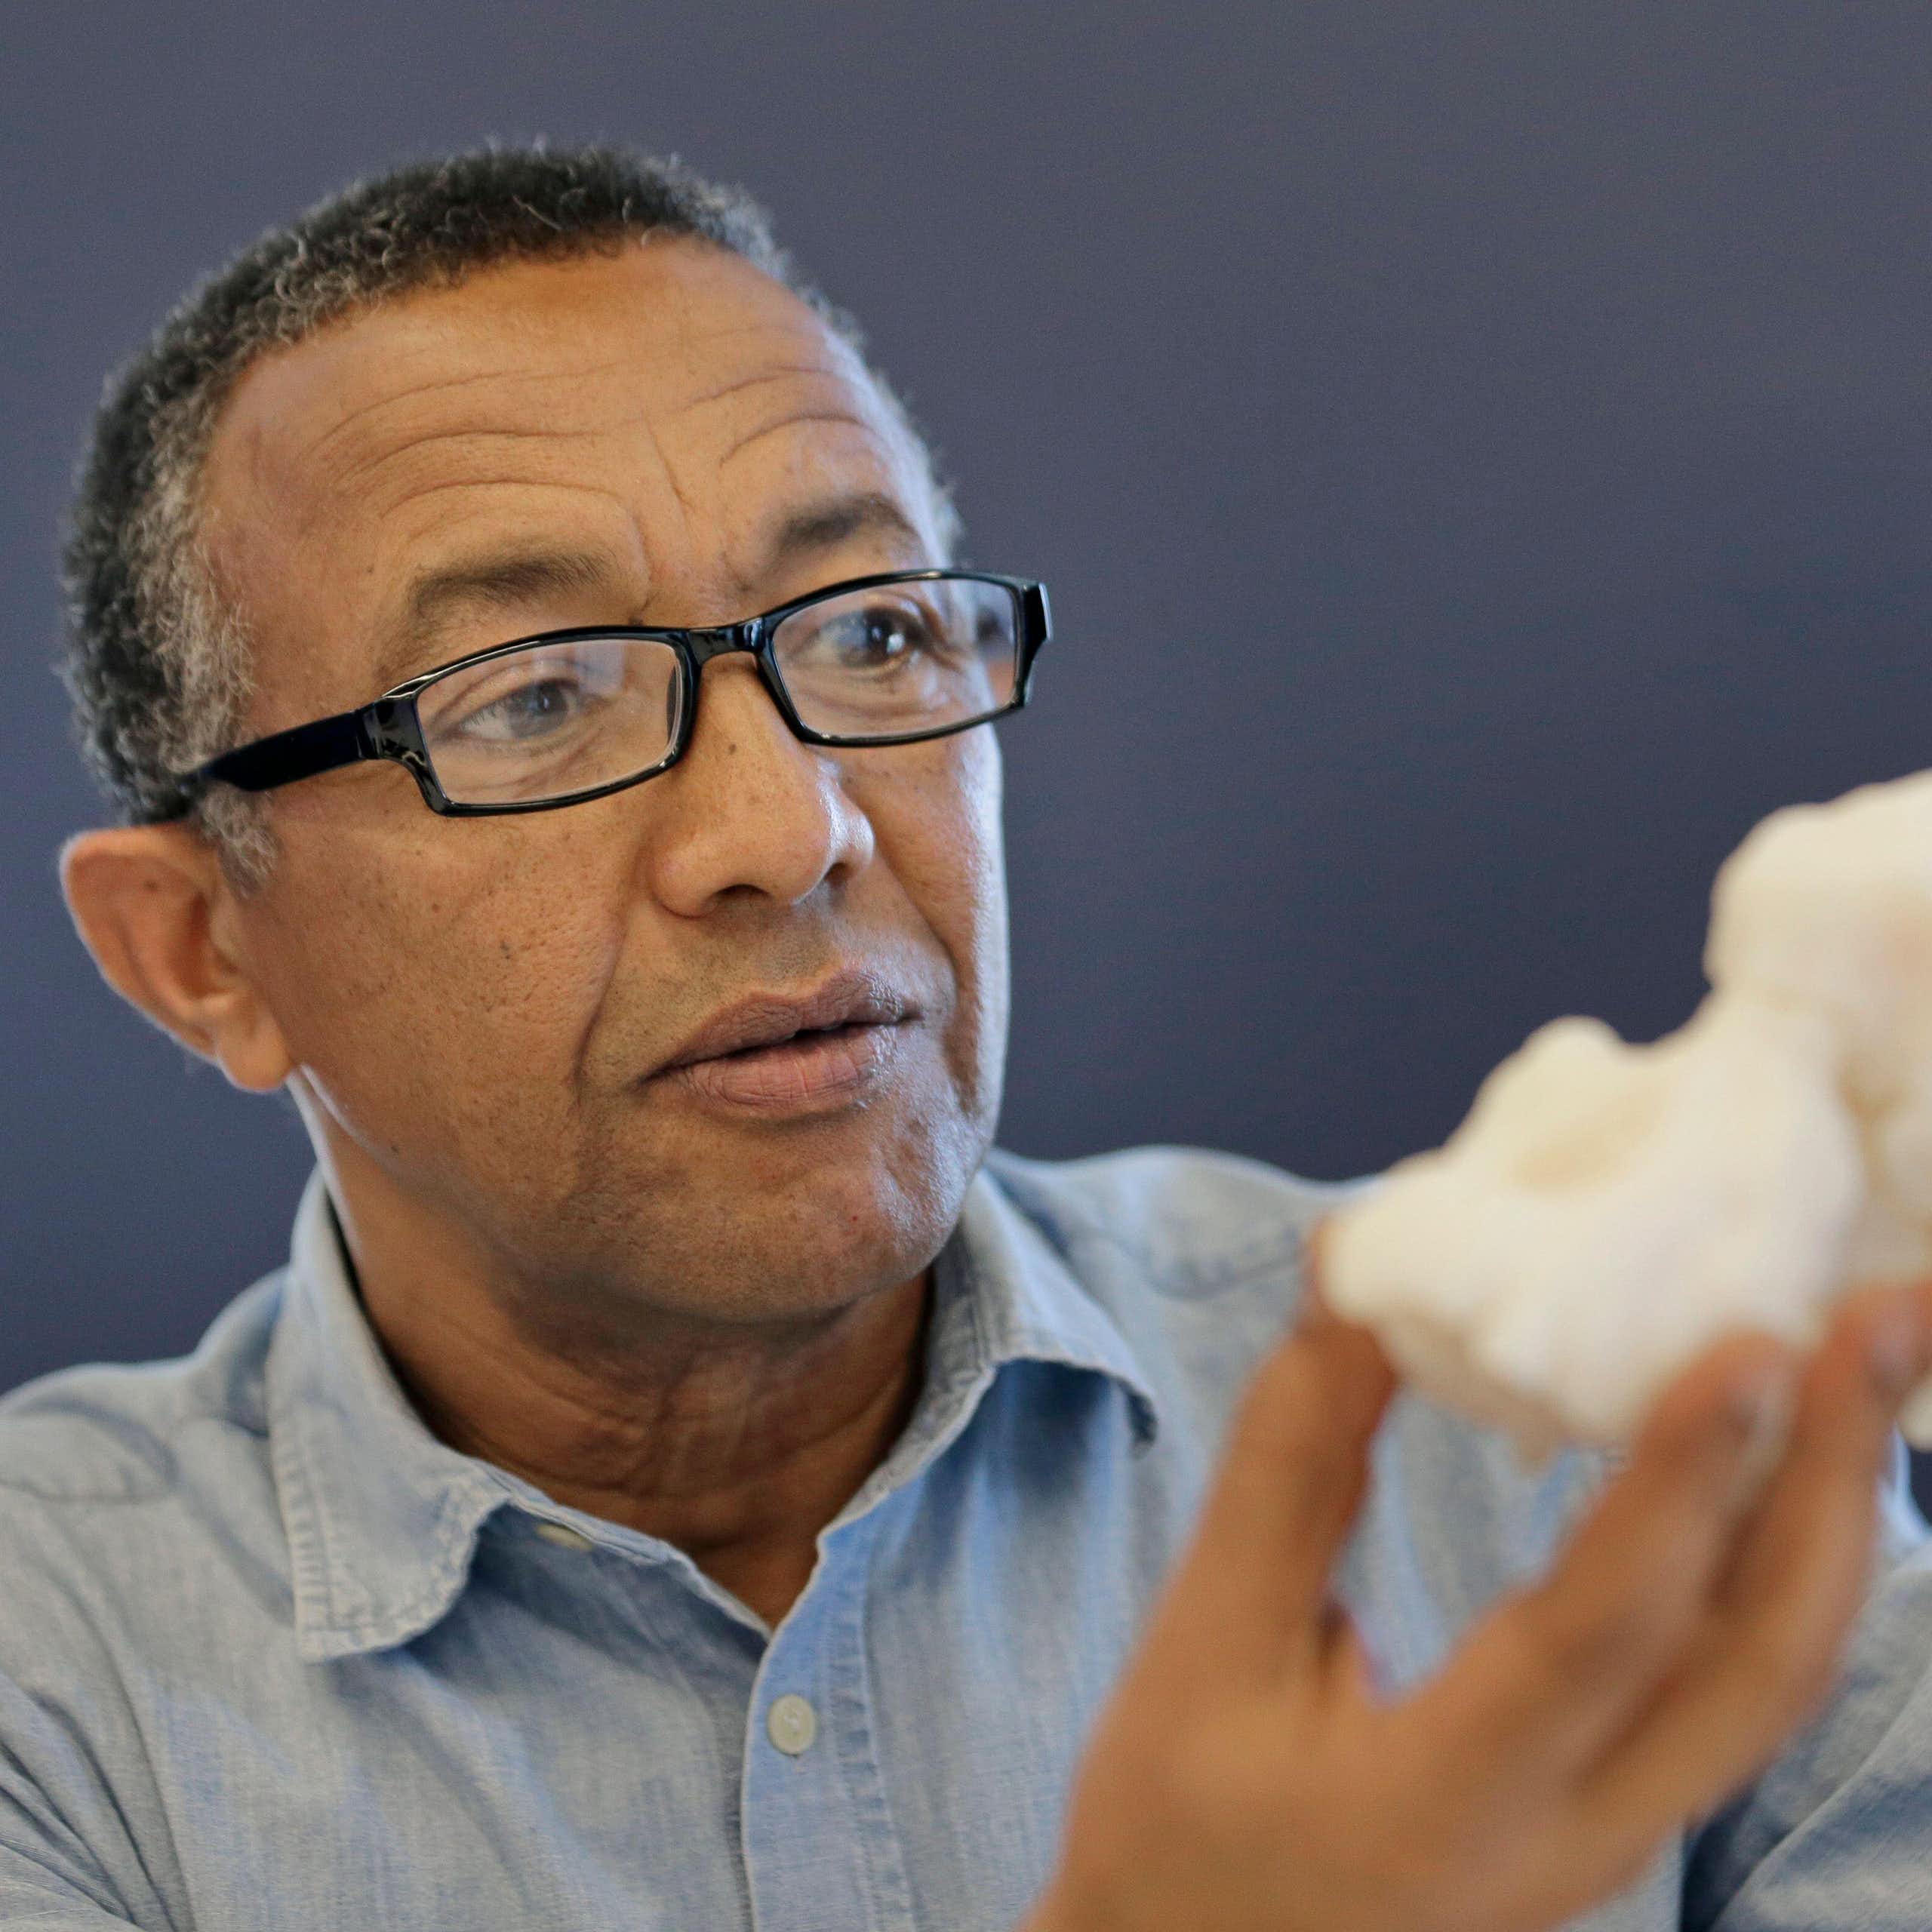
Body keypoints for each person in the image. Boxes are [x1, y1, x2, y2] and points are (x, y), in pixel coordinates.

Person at [30, 142, 1932, 1930]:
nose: (790, 832)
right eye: (532, 700)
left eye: (869, 635)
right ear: (201, 948)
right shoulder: (58, 1682)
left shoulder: (1576, 1414)